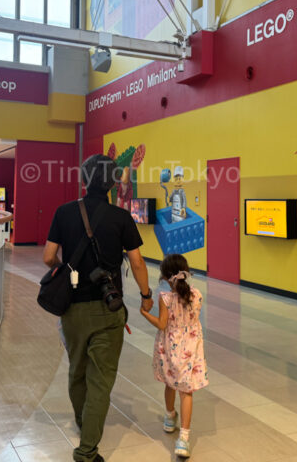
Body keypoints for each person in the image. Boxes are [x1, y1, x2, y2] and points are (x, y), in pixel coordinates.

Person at [43, 154, 153, 462]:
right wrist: (146, 295)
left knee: (77, 371)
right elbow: (137, 261)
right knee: (101, 379)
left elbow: (48, 257)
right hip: (108, 306)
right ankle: (87, 450)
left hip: (72, 308)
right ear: (114, 182)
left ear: (83, 180)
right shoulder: (121, 217)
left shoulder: (64, 212)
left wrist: (66, 265)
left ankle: (84, 423)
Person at [139, 253, 208, 459]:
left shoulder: (165, 298)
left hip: (170, 346)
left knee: (170, 383)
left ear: (165, 277)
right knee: (187, 391)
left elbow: (162, 324)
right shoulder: (197, 295)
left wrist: (145, 314)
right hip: (192, 347)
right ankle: (184, 440)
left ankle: (170, 418)